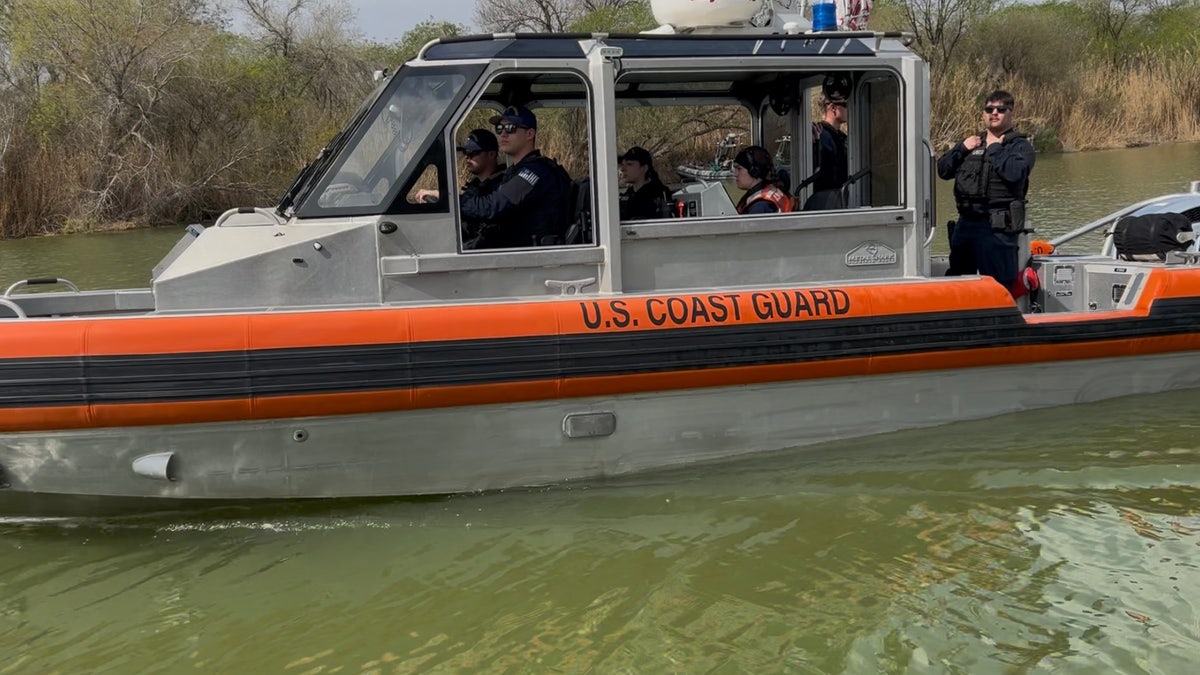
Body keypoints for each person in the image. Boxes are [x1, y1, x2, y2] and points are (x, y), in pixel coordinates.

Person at [936, 90, 1035, 294]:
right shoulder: (971, 144)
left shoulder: (1019, 146)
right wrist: (961, 148)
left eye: (1001, 109)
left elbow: (1015, 174)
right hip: (966, 226)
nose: (994, 113)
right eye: (989, 109)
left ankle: (1002, 323)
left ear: (1010, 113)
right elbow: (943, 171)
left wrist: (995, 149)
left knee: (999, 287)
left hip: (997, 229)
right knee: (958, 283)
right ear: (983, 113)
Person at [459, 105, 572, 249]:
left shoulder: (535, 172)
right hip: (514, 251)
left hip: (533, 257)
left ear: (530, 134)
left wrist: (453, 204)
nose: (503, 134)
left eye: (511, 128)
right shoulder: (515, 171)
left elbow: (493, 207)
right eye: (499, 129)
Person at [804, 95, 849, 210]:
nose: (850, 109)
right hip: (826, 202)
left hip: (841, 198)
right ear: (833, 108)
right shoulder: (819, 135)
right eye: (846, 105)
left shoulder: (842, 137)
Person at [733, 145, 793, 214]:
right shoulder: (770, 191)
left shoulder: (760, 207)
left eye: (739, 169)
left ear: (754, 171)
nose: (735, 174)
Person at [618, 146, 672, 220]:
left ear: (644, 168)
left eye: (629, 164)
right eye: (622, 165)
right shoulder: (628, 195)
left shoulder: (658, 195)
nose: (623, 169)